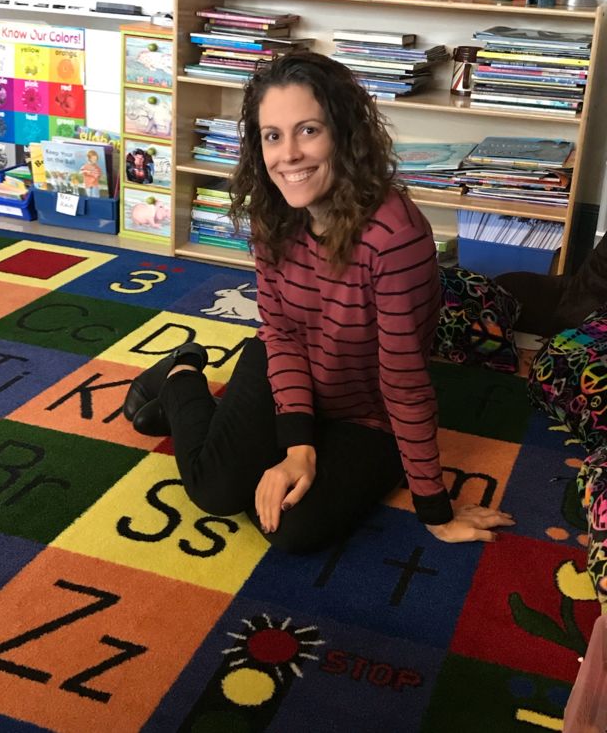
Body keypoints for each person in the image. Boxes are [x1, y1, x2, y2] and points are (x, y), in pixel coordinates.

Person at [123, 52, 513, 552]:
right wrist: (297, 444)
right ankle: (181, 373)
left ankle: (214, 423)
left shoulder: (395, 236)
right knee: (215, 490)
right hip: (289, 370)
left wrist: (435, 512)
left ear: (345, 133)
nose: (289, 155)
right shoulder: (272, 210)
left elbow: (404, 381)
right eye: (272, 136)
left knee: (290, 530)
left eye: (308, 131)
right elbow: (281, 334)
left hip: (365, 411)